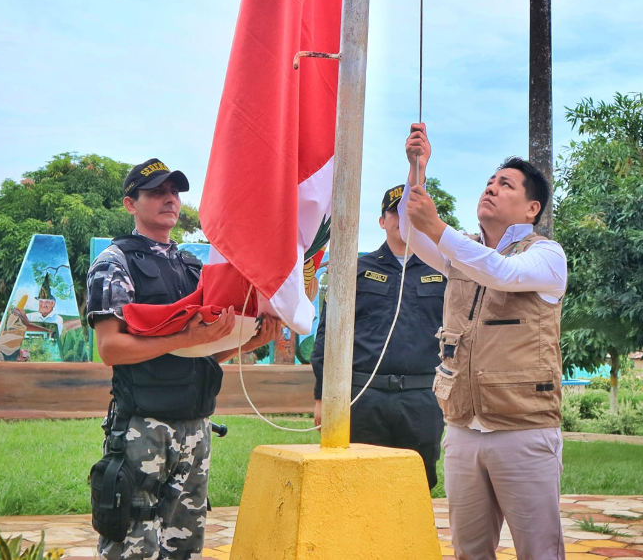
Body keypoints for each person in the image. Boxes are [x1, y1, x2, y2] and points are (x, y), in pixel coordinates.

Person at [86, 158, 282, 560]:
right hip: (145, 428)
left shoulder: (194, 267)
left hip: (196, 428)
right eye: (156, 191)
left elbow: (202, 352)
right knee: (133, 547)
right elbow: (110, 348)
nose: (169, 199)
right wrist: (185, 335)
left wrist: (250, 340)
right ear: (130, 204)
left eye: (174, 192)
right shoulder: (114, 262)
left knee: (185, 549)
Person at [400, 123, 568, 560]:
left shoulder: (547, 255)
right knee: (468, 551)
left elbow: (503, 273)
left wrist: (438, 227)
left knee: (539, 552)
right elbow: (415, 235)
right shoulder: (460, 250)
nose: (491, 189)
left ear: (532, 208)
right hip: (461, 427)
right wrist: (416, 170)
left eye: (505, 184)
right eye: (489, 182)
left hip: (524, 428)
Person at [310, 184, 446, 488]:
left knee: (415, 487)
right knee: (359, 485)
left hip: (422, 399)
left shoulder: (444, 271)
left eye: (408, 211)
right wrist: (322, 395)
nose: (402, 219)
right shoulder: (354, 269)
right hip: (363, 397)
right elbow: (327, 336)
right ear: (382, 220)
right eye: (394, 212)